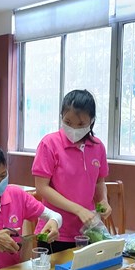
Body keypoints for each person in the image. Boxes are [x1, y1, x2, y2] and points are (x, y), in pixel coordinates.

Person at [32, 89, 111, 253]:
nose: (74, 128)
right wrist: (78, 209)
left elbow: (99, 182)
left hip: (88, 230)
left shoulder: (97, 147)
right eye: (68, 122)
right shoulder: (49, 144)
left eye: (81, 124)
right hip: (55, 231)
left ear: (92, 120)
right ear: (61, 116)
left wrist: (103, 200)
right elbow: (42, 187)